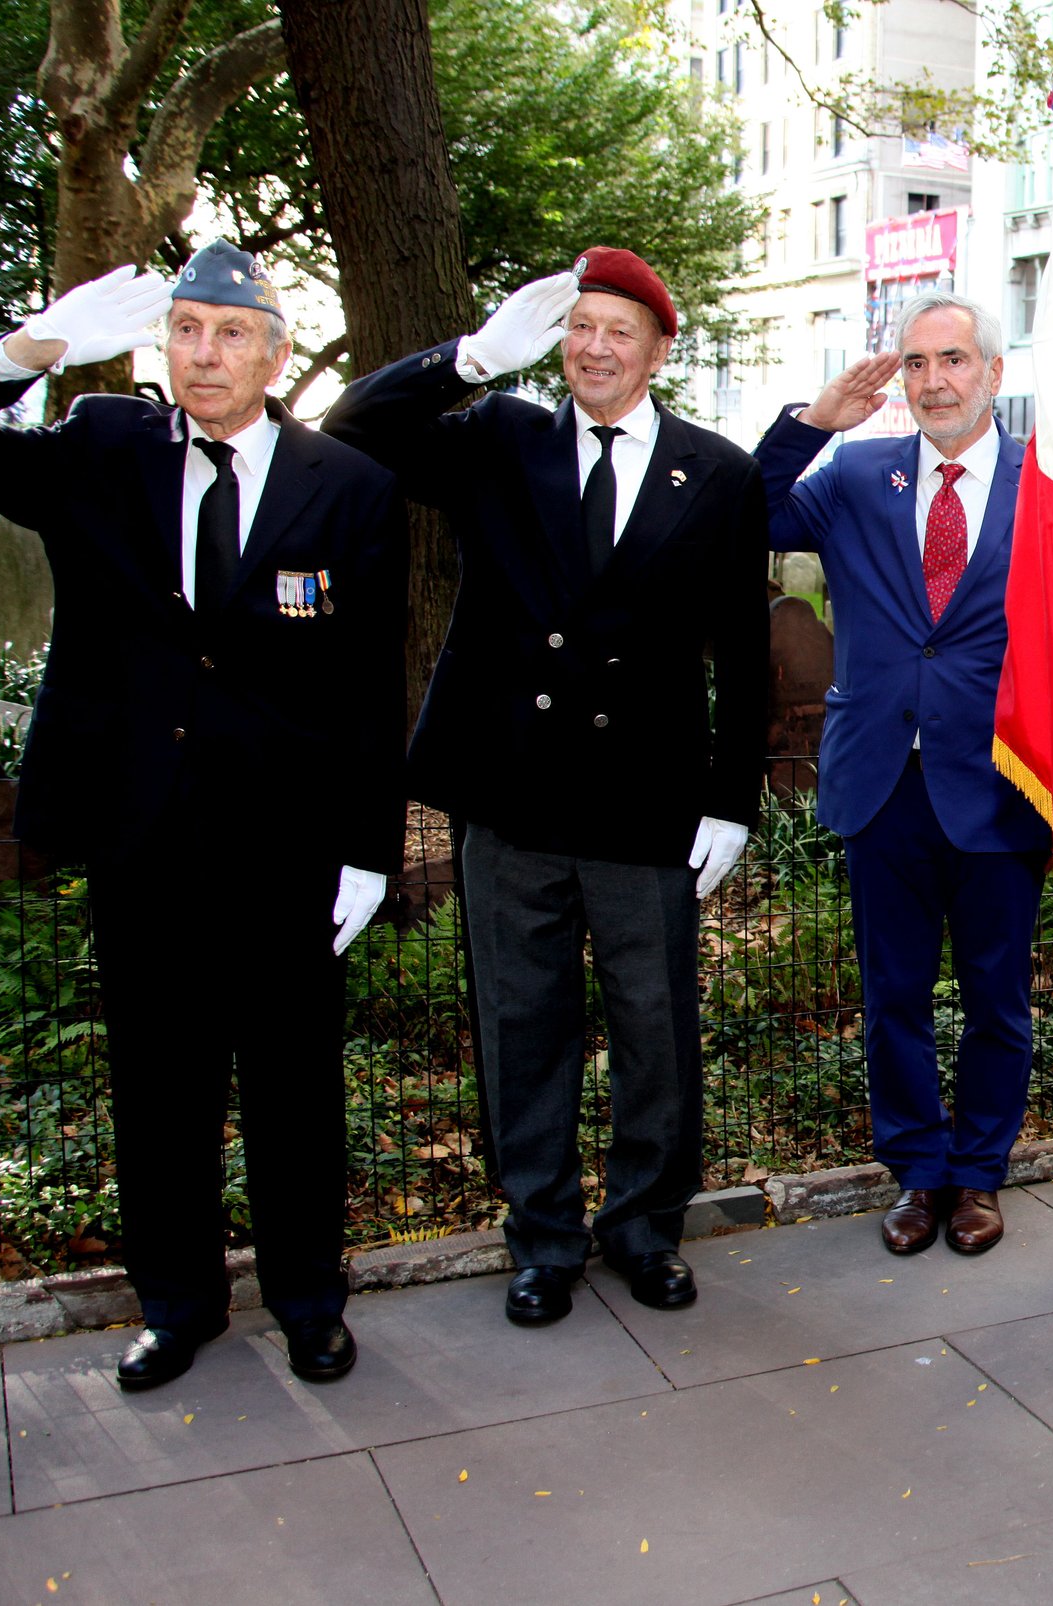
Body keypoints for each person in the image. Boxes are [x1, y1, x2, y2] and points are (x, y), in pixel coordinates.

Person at [0, 243, 406, 1388]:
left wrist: (367, 847)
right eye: (187, 330)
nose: (205, 355)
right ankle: (178, 1301)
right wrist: (24, 348)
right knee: (161, 1086)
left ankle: (310, 1296)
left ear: (276, 351)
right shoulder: (106, 448)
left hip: (286, 845)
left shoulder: (345, 485)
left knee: (295, 1087)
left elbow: (365, 685)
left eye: (230, 333)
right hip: (142, 833)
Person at [323, 249, 767, 1325]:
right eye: (580, 328)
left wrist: (732, 798)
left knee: (654, 1030)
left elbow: (744, 652)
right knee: (523, 1025)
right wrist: (471, 359)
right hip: (513, 798)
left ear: (661, 351)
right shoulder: (499, 438)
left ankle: (645, 1226)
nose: (594, 347)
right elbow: (353, 431)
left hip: (644, 803)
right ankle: (542, 1237)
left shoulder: (715, 472)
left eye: (620, 330)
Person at [750, 293, 1049, 1257]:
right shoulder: (856, 472)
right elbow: (746, 514)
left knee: (998, 997)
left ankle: (979, 1176)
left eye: (953, 360)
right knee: (895, 996)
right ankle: (919, 1174)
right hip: (881, 778)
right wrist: (810, 425)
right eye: (917, 365)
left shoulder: (1050, 487)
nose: (934, 382)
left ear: (993, 374)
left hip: (1001, 780)